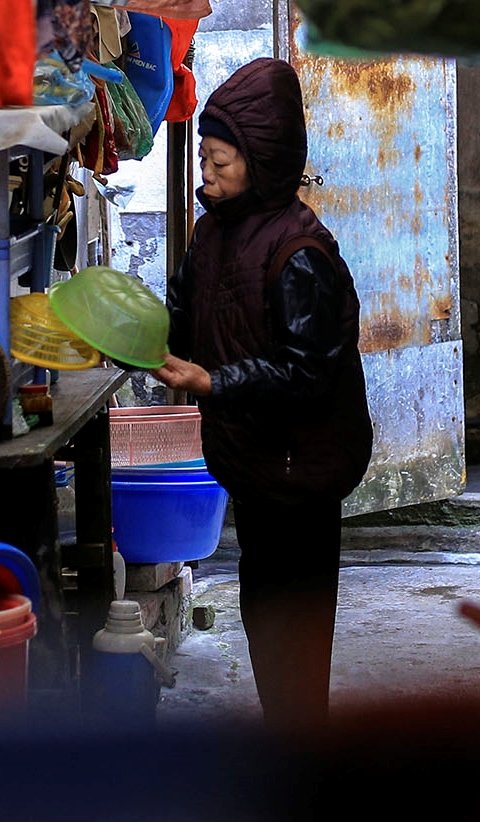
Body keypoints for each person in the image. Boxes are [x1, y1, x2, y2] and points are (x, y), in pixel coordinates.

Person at [154, 57, 373, 729]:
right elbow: (186, 315)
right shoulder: (213, 232)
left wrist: (214, 382)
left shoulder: (301, 254)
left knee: (294, 626)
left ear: (263, 162)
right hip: (253, 463)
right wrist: (127, 331)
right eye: (204, 160)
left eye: (220, 163)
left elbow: (307, 377)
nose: (207, 176)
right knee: (263, 610)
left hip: (298, 469)